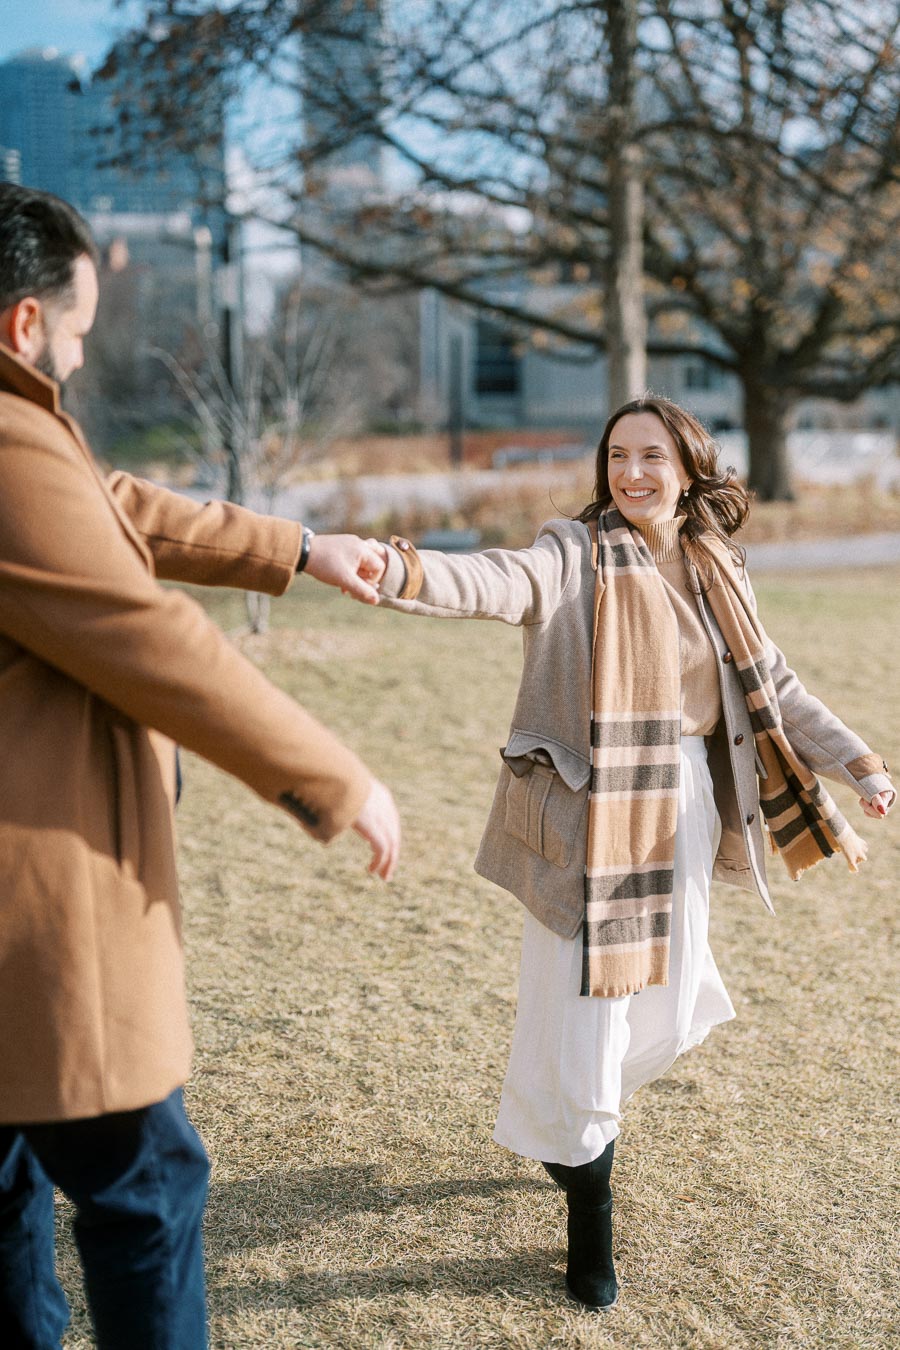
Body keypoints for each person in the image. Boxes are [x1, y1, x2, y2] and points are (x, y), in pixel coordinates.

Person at [359, 395, 894, 1311]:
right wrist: (402, 569)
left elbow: (772, 682)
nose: (632, 473)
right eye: (617, 456)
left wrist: (857, 760)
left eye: (651, 456)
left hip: (681, 804)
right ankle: (590, 1220)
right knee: (591, 1021)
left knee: (673, 1004)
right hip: (591, 819)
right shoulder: (574, 553)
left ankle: (557, 1121)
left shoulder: (718, 565)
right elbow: (496, 581)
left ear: (689, 468)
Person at [0, 182, 401, 1349]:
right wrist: (337, 779)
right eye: (76, 330)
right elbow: (148, 635)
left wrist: (303, 548)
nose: (80, 352)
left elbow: (110, 507)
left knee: (14, 1184)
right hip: (39, 920)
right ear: (25, 324)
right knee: (149, 1192)